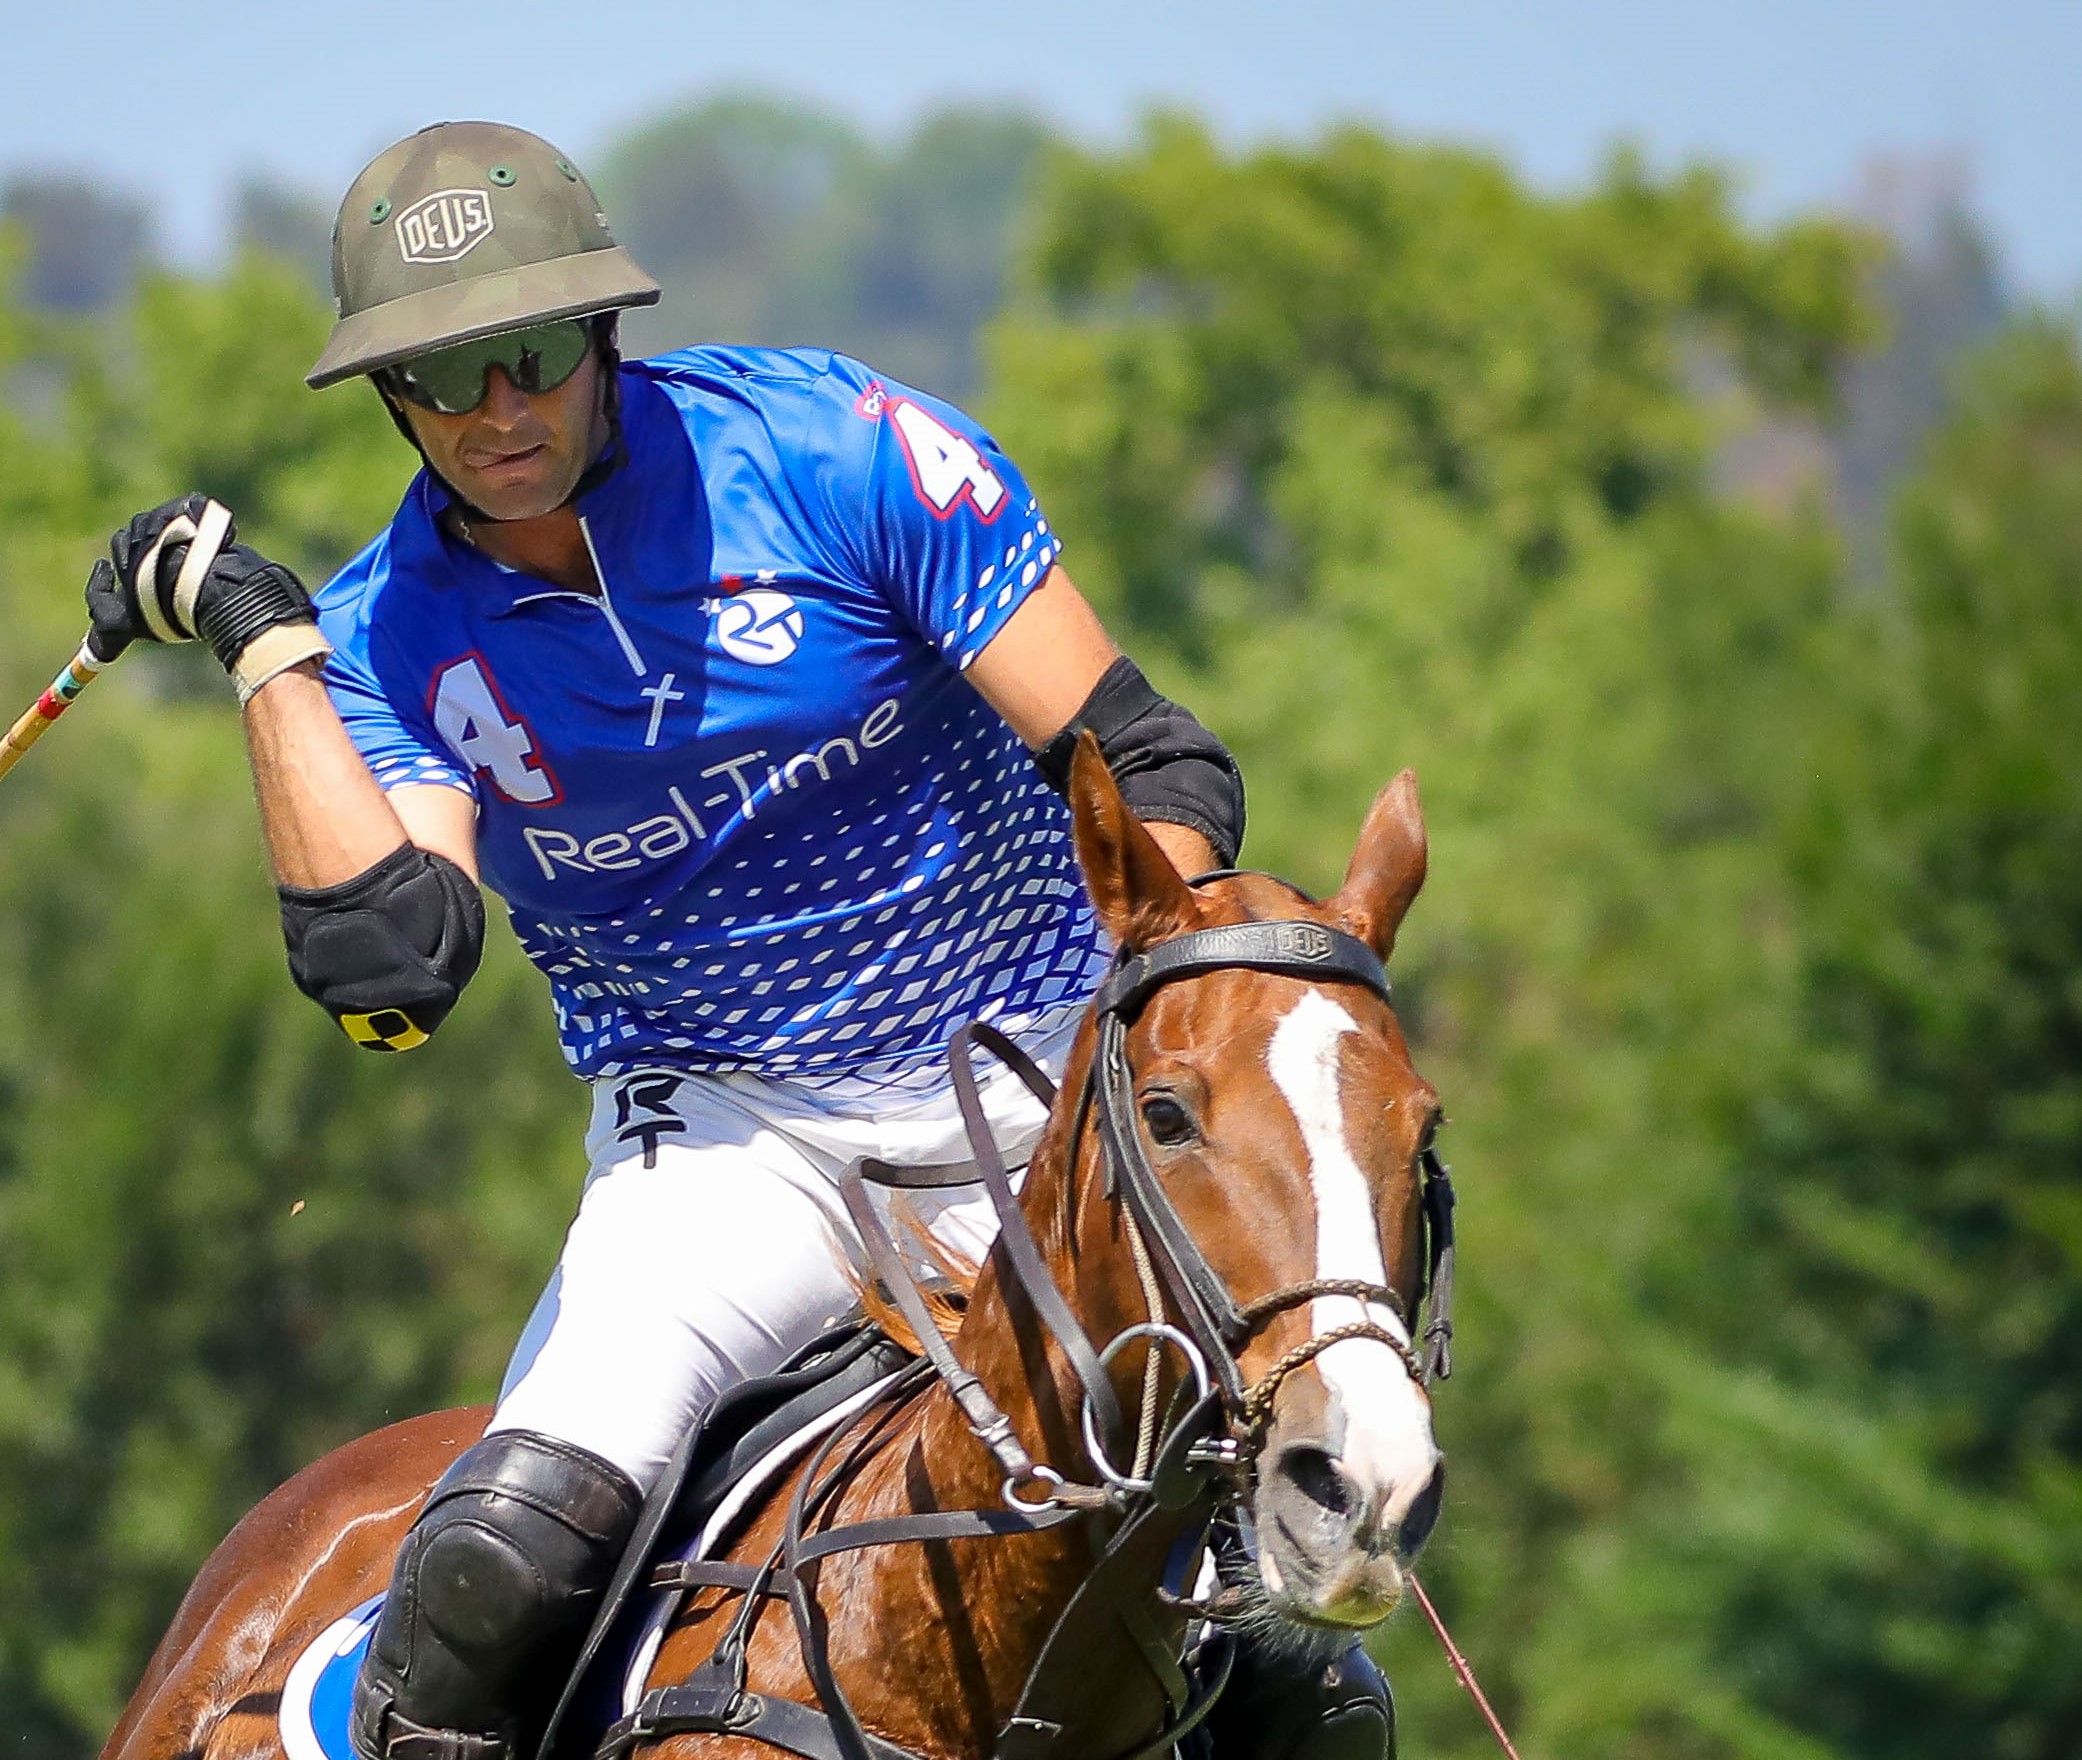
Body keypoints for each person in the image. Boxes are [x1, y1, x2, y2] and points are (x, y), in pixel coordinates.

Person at [85, 122, 1389, 1760]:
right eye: (441, 377)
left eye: (532, 355)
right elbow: (391, 980)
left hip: (1036, 1083)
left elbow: (1152, 764)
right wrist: (267, 645)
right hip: (719, 1133)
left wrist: (1156, 984)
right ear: (385, 397)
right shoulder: (386, 641)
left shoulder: (835, 454)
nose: (497, 411)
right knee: (496, 1567)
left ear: (603, 332)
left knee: (1306, 1682)